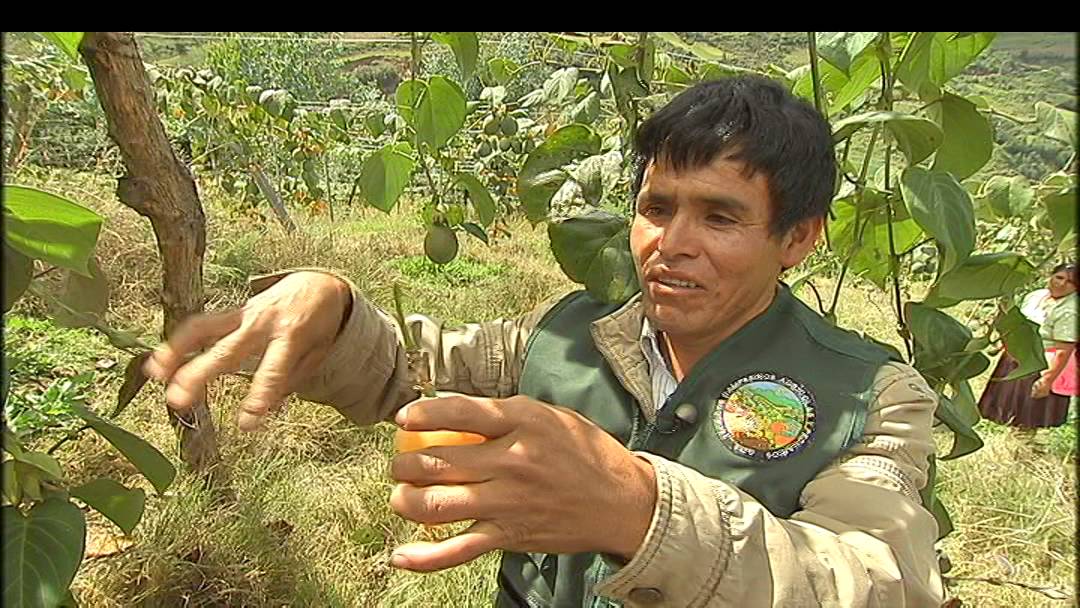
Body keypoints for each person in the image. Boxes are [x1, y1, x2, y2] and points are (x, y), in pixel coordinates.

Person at [145, 76, 944, 607]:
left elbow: (879, 580)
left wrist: (642, 513)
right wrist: (333, 308)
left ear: (799, 237)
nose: (671, 242)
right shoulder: (567, 334)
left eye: (721, 216)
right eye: (657, 207)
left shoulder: (871, 397)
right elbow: (408, 371)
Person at [980, 263, 1078, 429]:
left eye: (1070, 282)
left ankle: (1023, 447)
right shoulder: (1036, 296)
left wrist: (1047, 381)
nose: (1061, 283)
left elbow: (1064, 349)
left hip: (1042, 365)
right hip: (1015, 358)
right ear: (1051, 275)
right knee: (1005, 409)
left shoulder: (1071, 310)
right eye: (1059, 277)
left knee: (1028, 417)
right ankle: (1012, 445)